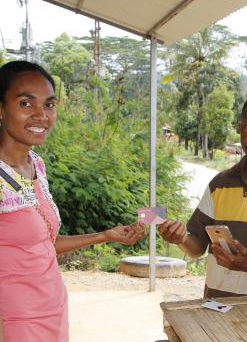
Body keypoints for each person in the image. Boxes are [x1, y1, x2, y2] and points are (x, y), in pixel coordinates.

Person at [0, 61, 146, 342]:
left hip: (53, 310)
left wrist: (105, 236)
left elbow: (44, 244)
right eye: (26, 104)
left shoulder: (35, 167)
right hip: (13, 322)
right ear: (1, 108)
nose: (41, 115)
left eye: (49, 105)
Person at [158, 88, 247, 298]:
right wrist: (180, 238)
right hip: (213, 309)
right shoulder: (219, 185)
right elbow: (196, 247)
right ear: (239, 129)